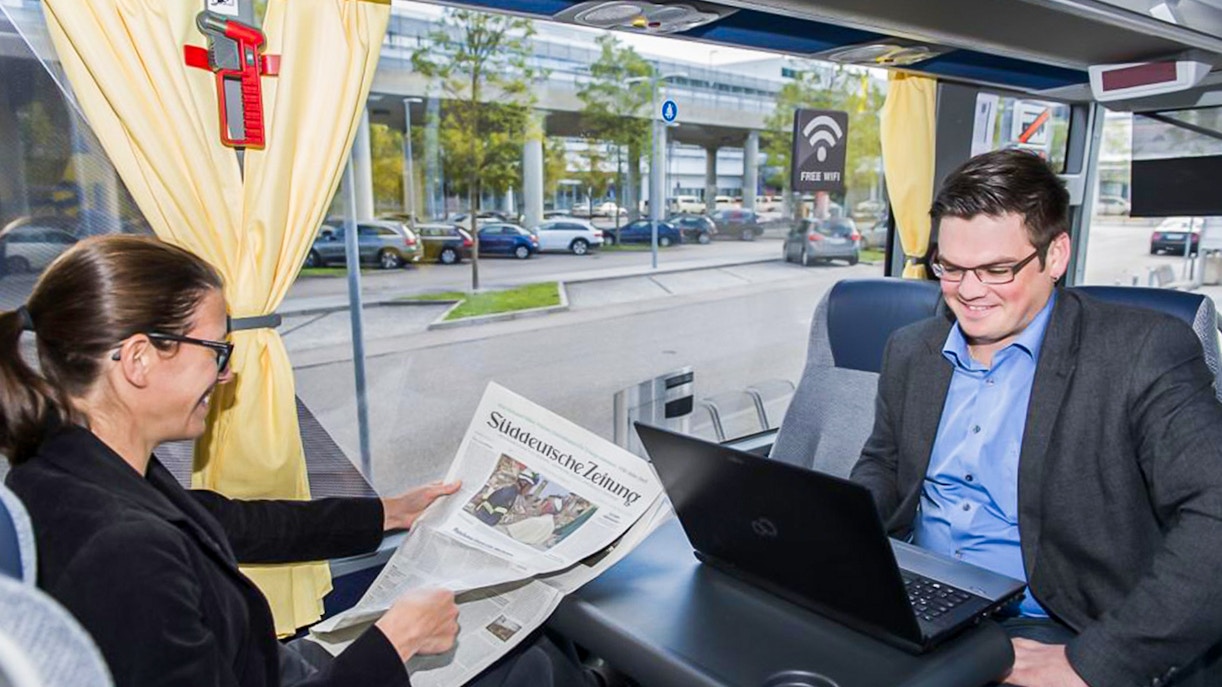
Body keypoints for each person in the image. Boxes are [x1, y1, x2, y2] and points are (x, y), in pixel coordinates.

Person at [0, 235, 589, 687]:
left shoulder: (72, 467)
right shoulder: (118, 550)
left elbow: (237, 524)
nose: (227, 373)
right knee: (536, 670)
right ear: (139, 360)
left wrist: (387, 511)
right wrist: (395, 642)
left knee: (532, 658)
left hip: (269, 667)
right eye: (216, 350)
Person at [850, 149, 1222, 687]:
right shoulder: (910, 349)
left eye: (998, 270)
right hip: (920, 598)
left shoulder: (1142, 351)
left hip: (1056, 626)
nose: (969, 292)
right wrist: (839, 545)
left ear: (1055, 255)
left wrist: (1094, 661)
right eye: (950, 268)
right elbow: (882, 465)